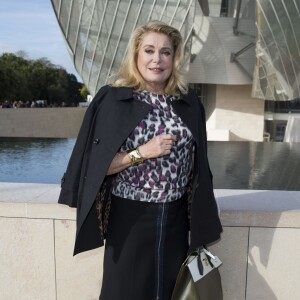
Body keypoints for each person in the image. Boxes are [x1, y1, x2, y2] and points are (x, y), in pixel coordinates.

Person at [58, 21, 222, 300]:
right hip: (130, 218)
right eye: (149, 50)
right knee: (124, 291)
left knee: (173, 291)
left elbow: (200, 165)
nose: (157, 59)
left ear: (175, 58)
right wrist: (142, 153)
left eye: (165, 52)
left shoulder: (188, 101)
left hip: (176, 217)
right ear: (136, 55)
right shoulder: (113, 99)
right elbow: (94, 167)